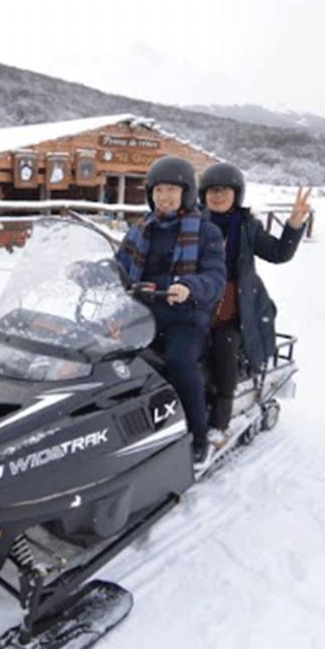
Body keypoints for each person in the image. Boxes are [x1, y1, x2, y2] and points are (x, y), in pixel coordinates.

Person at [116, 156, 227, 468]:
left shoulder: (207, 233)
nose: (163, 197)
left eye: (171, 190)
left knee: (179, 362)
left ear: (187, 193)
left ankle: (198, 434)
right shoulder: (141, 230)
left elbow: (215, 278)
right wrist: (86, 271)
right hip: (141, 314)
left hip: (186, 318)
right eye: (158, 190)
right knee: (107, 356)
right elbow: (119, 266)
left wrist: (189, 286)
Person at [199, 163, 311, 446]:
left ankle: (220, 423)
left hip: (235, 311)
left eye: (224, 191)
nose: (218, 196)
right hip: (197, 303)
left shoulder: (247, 227)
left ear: (237, 194)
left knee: (224, 350)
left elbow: (278, 253)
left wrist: (294, 224)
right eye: (212, 191)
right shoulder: (193, 222)